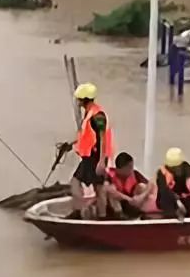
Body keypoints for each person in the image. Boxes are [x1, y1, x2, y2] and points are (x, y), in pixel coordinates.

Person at [59, 83, 114, 218]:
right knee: (98, 187)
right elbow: (88, 136)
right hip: (91, 156)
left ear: (83, 100)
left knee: (76, 183)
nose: (77, 102)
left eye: (79, 99)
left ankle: (81, 211)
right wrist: (72, 145)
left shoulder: (97, 116)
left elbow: (102, 138)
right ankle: (101, 215)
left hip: (94, 157)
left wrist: (101, 161)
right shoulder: (90, 113)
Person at [107, 152, 155, 218]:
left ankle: (145, 213)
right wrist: (129, 199)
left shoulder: (135, 174)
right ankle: (119, 216)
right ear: (121, 168)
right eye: (129, 167)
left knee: (142, 187)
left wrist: (141, 197)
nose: (131, 169)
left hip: (133, 205)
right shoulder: (110, 176)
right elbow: (112, 192)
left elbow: (151, 182)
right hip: (117, 207)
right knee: (110, 190)